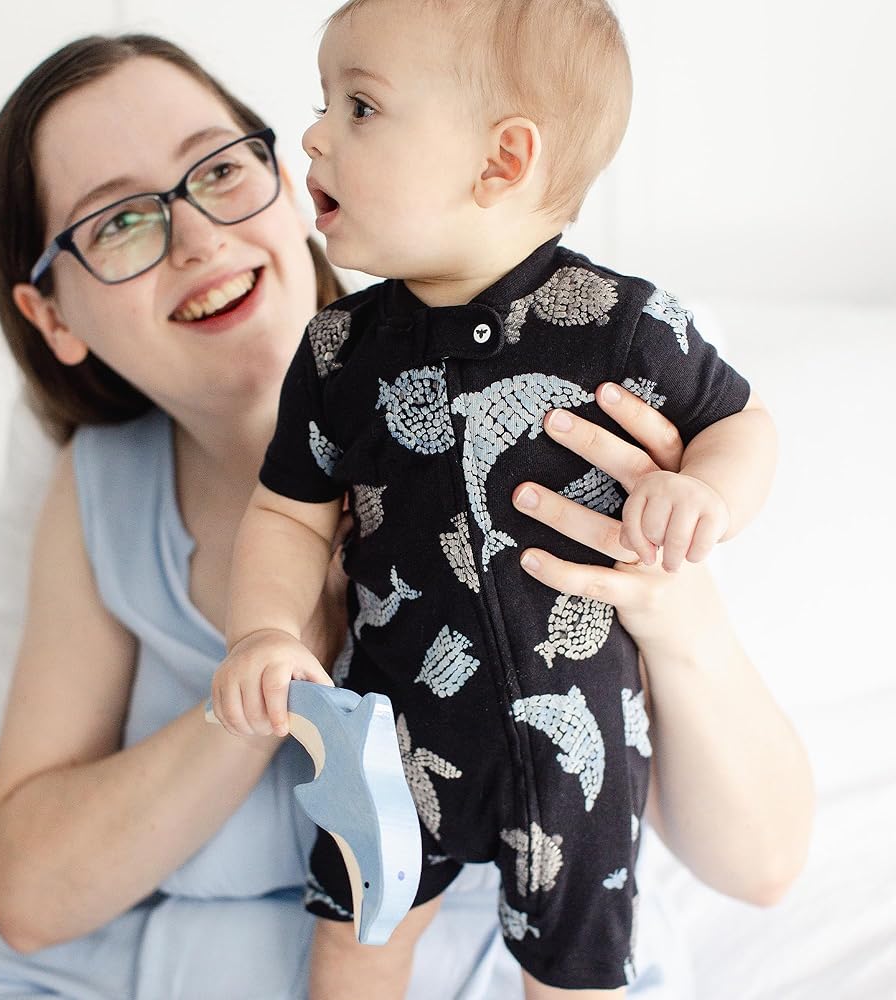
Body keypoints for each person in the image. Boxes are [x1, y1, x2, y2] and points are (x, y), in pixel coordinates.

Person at [0, 29, 812, 1000]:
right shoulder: (111, 480)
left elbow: (764, 867)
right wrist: (270, 663)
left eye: (217, 170)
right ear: (52, 316)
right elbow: (26, 896)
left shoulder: (601, 386)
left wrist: (672, 605)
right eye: (120, 223)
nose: (198, 238)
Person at [207, 1, 779, 997]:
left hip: (581, 751)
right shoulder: (339, 352)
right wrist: (262, 628)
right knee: (353, 942)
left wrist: (706, 493)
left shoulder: (625, 327)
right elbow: (287, 514)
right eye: (323, 103)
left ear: (501, 160)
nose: (313, 135)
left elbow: (744, 422)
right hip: (392, 735)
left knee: (575, 972)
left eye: (360, 107)